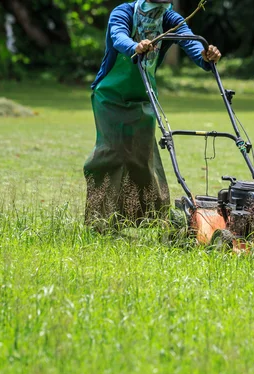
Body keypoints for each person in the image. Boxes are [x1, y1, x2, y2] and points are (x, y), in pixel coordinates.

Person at [83, 0, 221, 229]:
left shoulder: (170, 19)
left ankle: (147, 221)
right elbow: (117, 36)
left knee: (141, 161)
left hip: (144, 96)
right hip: (110, 96)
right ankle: (99, 222)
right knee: (113, 154)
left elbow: (189, 39)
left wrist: (206, 55)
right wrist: (134, 46)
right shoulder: (124, 12)